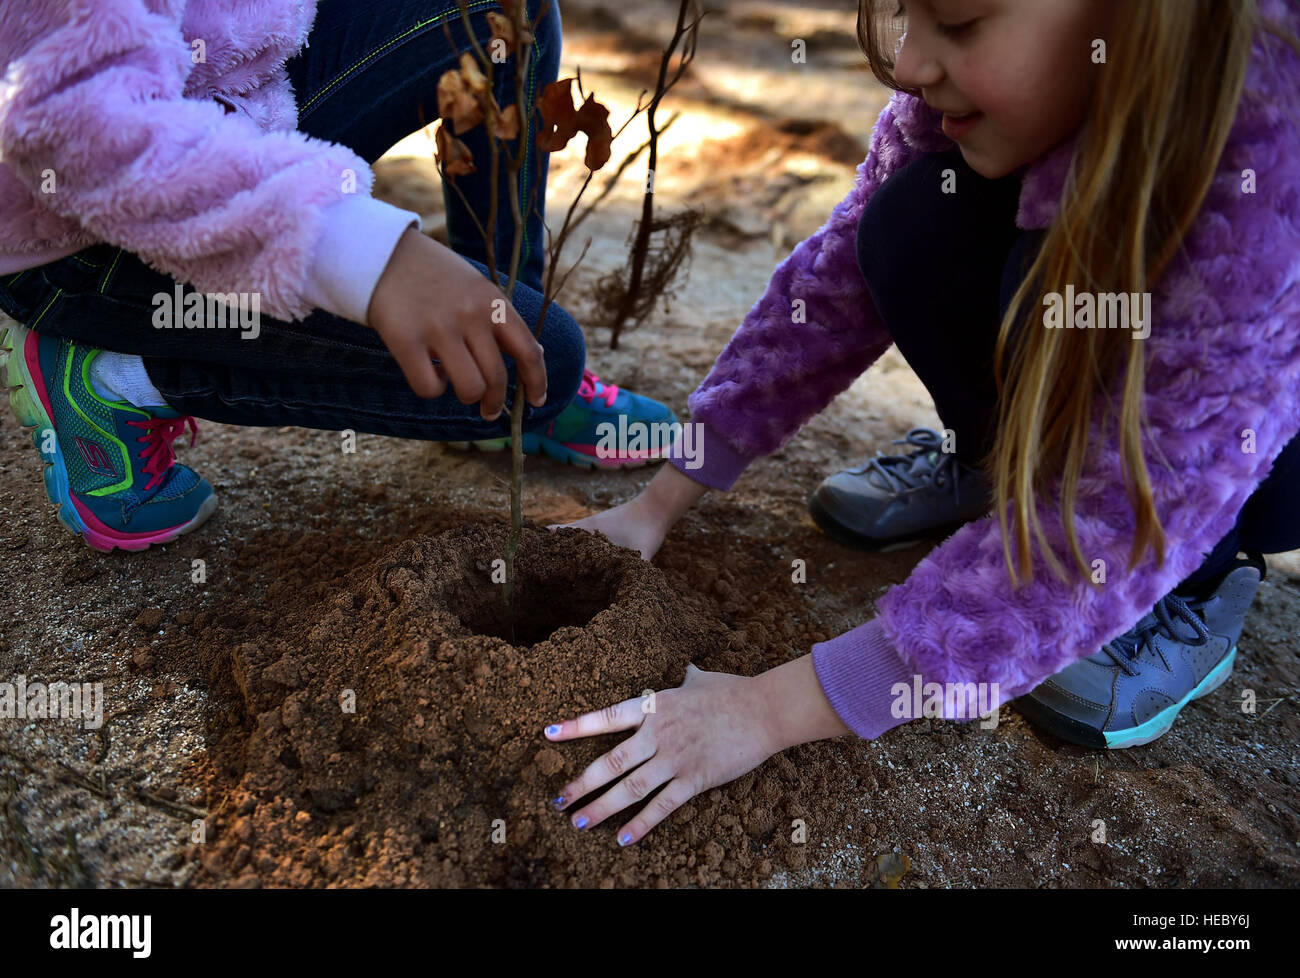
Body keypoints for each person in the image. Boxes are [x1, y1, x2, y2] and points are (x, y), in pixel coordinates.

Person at [545, 0, 1300, 847]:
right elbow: (830, 287)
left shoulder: (1264, 144)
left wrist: (764, 709)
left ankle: (1197, 581)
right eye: (907, 15)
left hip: (1257, 428)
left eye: (961, 23)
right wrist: (660, 501)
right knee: (912, 218)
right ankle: (1002, 472)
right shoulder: (983, 87)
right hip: (1121, 265)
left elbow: (1143, 488)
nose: (908, 64)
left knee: (1071, 299)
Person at [0, 0, 676, 553]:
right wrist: (366, 257)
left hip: (229, 76)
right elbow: (70, 123)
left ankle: (503, 378)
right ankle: (116, 376)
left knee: (503, 14)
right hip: (78, 230)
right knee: (551, 359)